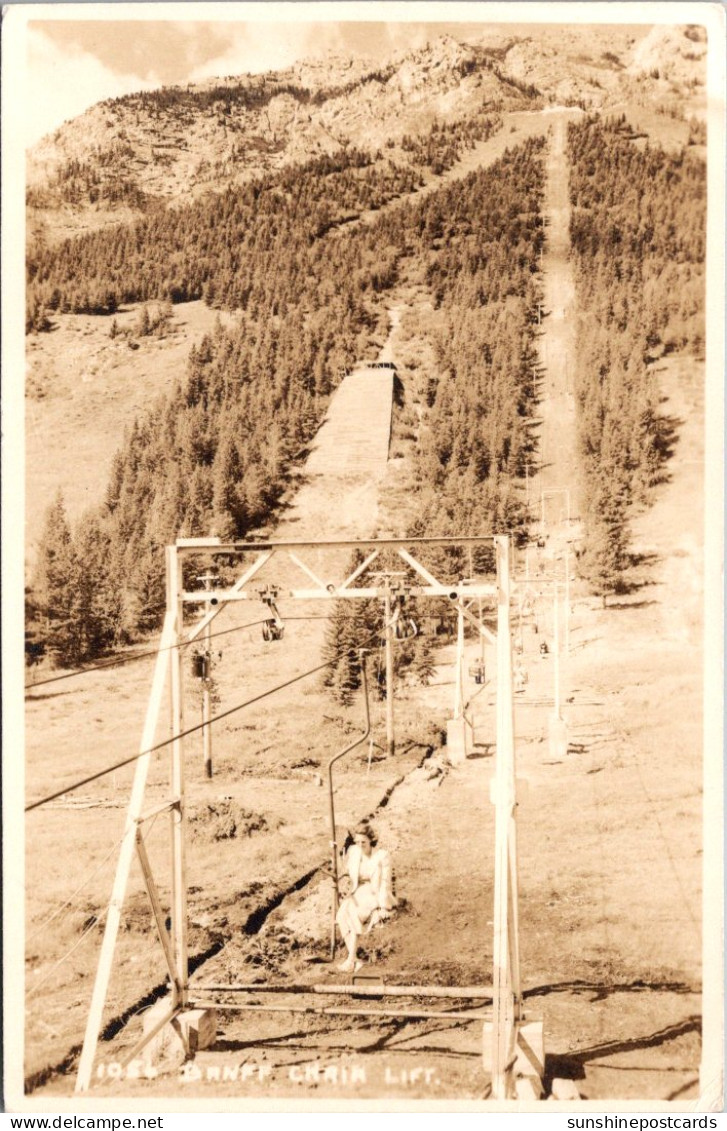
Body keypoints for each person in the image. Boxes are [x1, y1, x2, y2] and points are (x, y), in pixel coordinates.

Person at [335, 824, 396, 973]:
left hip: (374, 891)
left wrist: (383, 906)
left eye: (364, 842)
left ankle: (350, 961)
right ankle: (355, 959)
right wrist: (335, 853)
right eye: (358, 842)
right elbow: (346, 871)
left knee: (353, 913)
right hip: (358, 890)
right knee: (341, 914)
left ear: (371, 841)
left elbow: (385, 883)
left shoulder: (382, 856)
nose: (360, 845)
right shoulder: (355, 853)